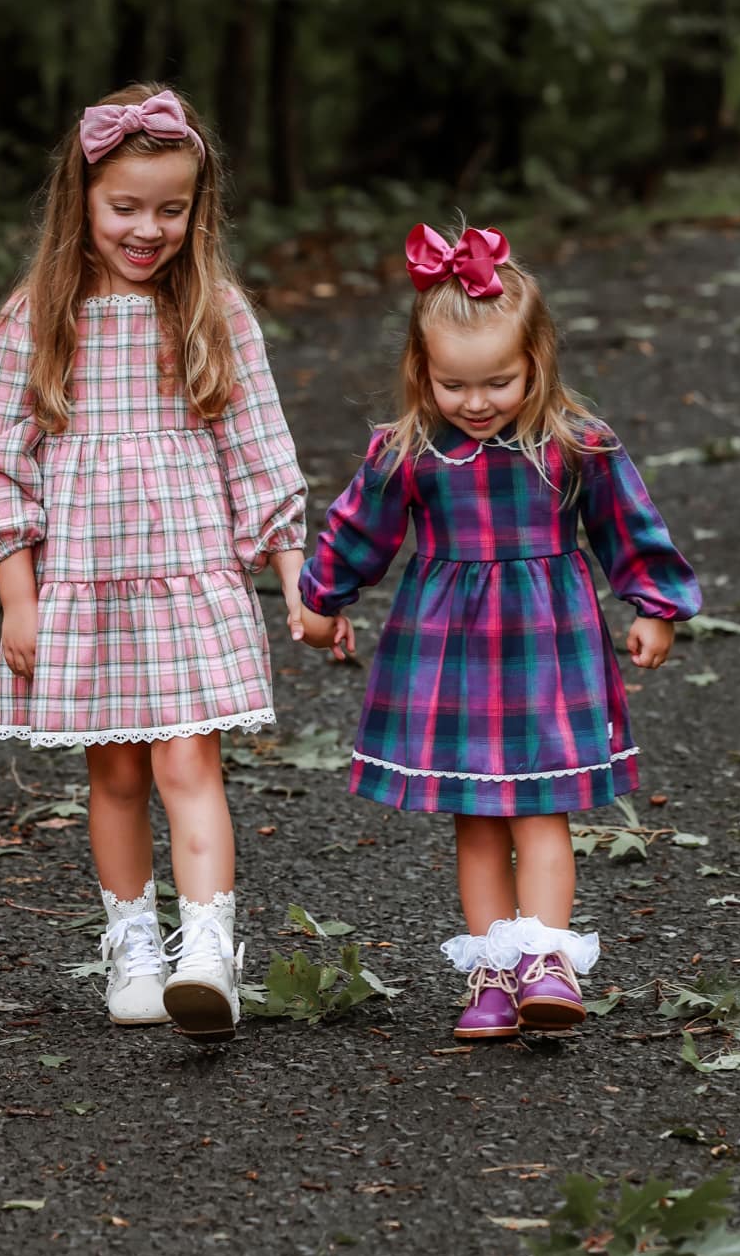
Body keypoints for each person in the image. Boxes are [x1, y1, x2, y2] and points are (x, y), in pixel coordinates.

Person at [0, 86, 307, 1042]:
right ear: (84, 200)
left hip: (189, 576)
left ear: (199, 209)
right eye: (126, 207)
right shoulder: (40, 317)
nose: (147, 229)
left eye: (170, 208)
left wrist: (292, 581)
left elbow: (260, 449)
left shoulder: (215, 311)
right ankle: (134, 947)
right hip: (85, 587)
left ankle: (207, 950)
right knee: (113, 775)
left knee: (190, 762)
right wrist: (16, 599)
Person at [296, 223, 700, 1039]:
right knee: (477, 817)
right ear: (423, 372)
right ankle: (490, 970)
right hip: (449, 657)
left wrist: (655, 604)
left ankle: (545, 963)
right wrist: (323, 597)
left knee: (543, 810)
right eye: (453, 385)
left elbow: (630, 527)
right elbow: (358, 530)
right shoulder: (408, 451)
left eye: (498, 382)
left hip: (550, 651)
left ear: (537, 363)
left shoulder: (576, 447)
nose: (475, 403)